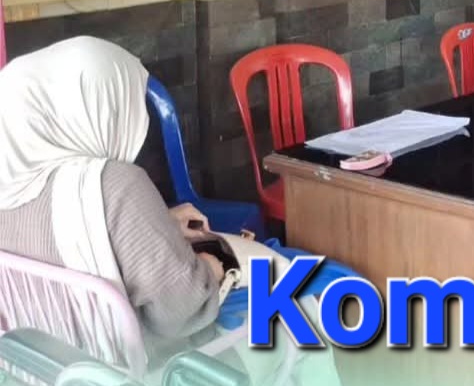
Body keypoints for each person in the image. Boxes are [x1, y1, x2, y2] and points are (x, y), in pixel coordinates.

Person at [0, 36, 341, 384]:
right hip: (155, 370)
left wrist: (157, 224)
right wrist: (215, 265)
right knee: (302, 310)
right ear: (95, 107)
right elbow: (181, 314)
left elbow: (67, 244)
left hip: (50, 369)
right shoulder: (115, 185)